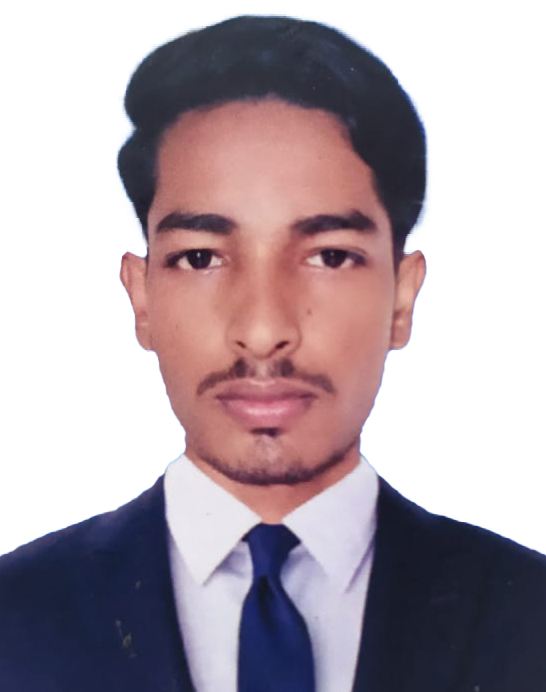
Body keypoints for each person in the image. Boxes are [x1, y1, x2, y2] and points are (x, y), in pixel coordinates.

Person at [0, 14, 544, 692]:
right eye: (201, 257)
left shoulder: (529, 617)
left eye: (329, 256)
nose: (261, 331)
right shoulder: (12, 621)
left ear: (402, 298)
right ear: (141, 298)